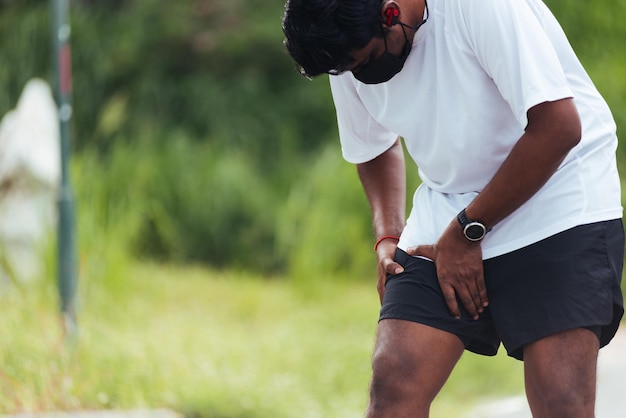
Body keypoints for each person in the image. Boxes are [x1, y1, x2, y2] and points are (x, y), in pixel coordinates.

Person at [282, 0, 624, 416]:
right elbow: (371, 145)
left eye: (367, 62)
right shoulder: (349, 47)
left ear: (390, 13)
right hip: (447, 206)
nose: (361, 77)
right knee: (394, 384)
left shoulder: (480, 8)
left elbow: (559, 126)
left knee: (561, 401)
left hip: (556, 196)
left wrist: (467, 232)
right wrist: (388, 235)